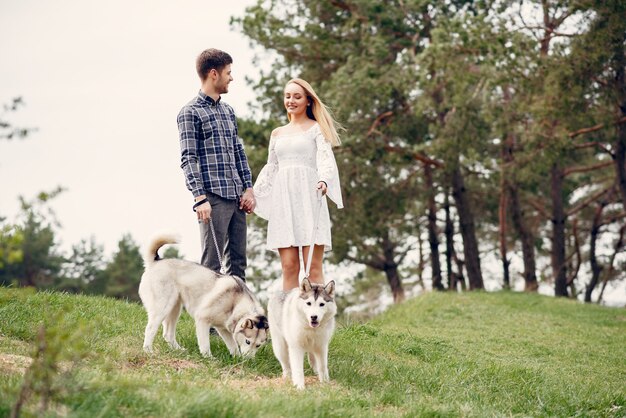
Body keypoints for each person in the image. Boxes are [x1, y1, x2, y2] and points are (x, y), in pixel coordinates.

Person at [254, 78, 343, 291]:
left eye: (297, 96)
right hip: (283, 202)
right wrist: (253, 195)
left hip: (310, 198)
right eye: (287, 96)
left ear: (308, 101)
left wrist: (324, 180)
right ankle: (289, 322)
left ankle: (318, 319)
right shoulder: (277, 133)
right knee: (289, 266)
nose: (291, 100)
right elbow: (271, 168)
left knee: (312, 266)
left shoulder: (317, 129)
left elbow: (324, 159)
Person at [177, 48, 255, 280]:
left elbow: (238, 152)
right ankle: (206, 316)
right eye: (228, 72)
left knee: (239, 265)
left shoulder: (228, 111)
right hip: (213, 198)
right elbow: (188, 158)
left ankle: (237, 316)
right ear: (214, 74)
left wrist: (248, 188)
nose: (232, 77)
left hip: (237, 198)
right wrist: (200, 198)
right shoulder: (190, 113)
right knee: (211, 266)